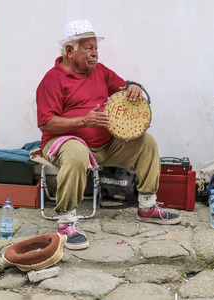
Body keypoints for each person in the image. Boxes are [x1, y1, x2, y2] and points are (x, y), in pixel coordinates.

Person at [36, 19, 181, 250]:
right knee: (75, 152)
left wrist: (134, 88)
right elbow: (46, 124)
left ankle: (147, 206)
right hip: (65, 143)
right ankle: (66, 223)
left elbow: (124, 89)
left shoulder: (100, 72)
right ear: (69, 50)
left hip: (105, 145)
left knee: (146, 142)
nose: (95, 54)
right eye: (88, 49)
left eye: (96, 49)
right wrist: (84, 121)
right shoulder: (52, 80)